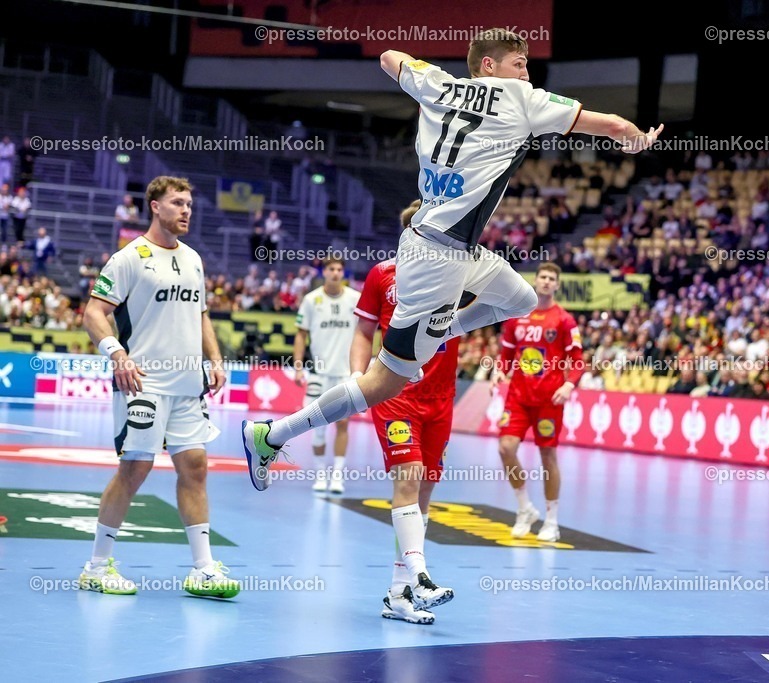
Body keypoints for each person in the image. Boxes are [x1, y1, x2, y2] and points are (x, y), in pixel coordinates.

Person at [242, 27, 662, 490]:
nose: (526, 71)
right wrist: (637, 139)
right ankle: (271, 433)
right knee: (385, 382)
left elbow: (387, 56)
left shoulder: (439, 84)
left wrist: (429, 75)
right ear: (489, 65)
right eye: (518, 63)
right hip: (434, 255)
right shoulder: (523, 99)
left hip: (458, 248)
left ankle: (443, 328)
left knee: (521, 299)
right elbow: (615, 127)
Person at [80, 175, 239, 598]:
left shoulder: (193, 259)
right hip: (143, 383)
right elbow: (94, 313)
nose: (187, 210)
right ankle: (96, 566)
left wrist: (216, 360)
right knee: (135, 469)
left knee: (196, 468)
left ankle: (203, 569)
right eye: (178, 203)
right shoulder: (129, 258)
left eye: (189, 203)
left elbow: (202, 314)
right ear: (155, 205)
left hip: (188, 386)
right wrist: (117, 354)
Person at [351, 198, 458, 624]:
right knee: (409, 478)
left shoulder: (458, 274)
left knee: (424, 492)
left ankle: (398, 594)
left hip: (441, 400)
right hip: (395, 393)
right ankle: (422, 576)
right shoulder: (382, 274)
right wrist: (359, 381)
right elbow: (363, 331)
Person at [492, 262, 583, 542]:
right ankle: (524, 509)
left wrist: (569, 385)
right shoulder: (516, 318)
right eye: (542, 277)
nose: (546, 281)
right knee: (506, 449)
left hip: (549, 400)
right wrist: (498, 371)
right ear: (535, 281)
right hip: (518, 397)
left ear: (557, 285)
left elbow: (578, 361)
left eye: (551, 278)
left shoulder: (565, 321)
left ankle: (552, 522)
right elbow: (505, 357)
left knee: (548, 457)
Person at [293, 256, 360, 494]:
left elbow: (367, 330)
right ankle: (321, 474)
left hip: (345, 374)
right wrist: (298, 366)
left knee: (343, 423)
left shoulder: (355, 299)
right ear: (324, 272)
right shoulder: (312, 300)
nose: (335, 273)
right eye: (331, 269)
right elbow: (301, 334)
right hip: (319, 374)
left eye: (339, 269)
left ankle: (338, 477)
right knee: (317, 425)